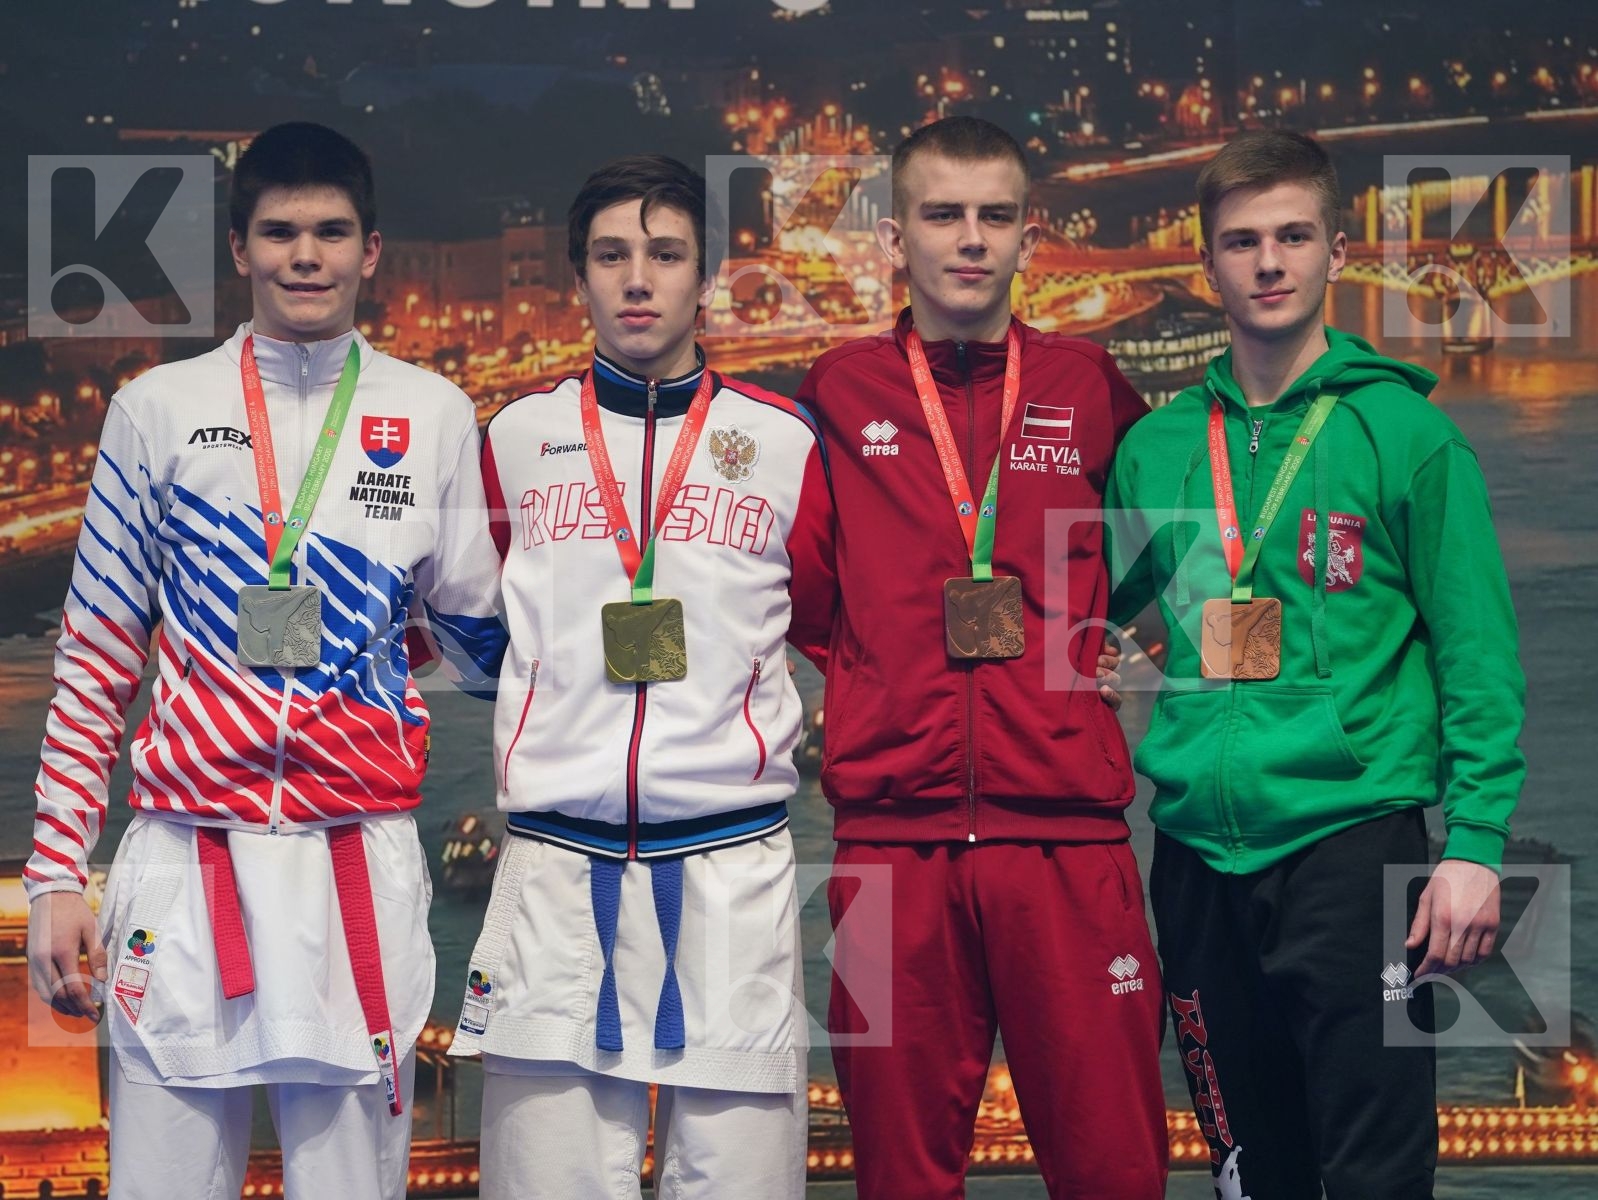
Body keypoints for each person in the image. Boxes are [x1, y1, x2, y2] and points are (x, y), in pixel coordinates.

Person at [24, 122, 505, 1199]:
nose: (306, 256)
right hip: (186, 862)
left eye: (331, 232)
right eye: (279, 232)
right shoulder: (156, 410)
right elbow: (98, 655)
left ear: (370, 250)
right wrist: (57, 872)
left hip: (356, 861)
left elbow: (479, 642)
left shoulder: (432, 415)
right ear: (239, 250)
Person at [1105, 129, 1525, 1199]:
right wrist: (1123, 663)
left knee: (1375, 1175)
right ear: (1205, 267)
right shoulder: (1153, 449)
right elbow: (1138, 621)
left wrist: (1472, 845)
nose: (1267, 261)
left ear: (1337, 251)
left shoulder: (1404, 433)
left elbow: (1476, 653)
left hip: (1354, 852)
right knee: (1247, 1174)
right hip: (1196, 857)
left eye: (1292, 235)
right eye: (1240, 241)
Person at [794, 116, 1168, 1199]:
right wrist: (880, 670)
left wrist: (1101, 651)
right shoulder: (837, 390)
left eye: (993, 217)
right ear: (894, 239)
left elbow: (1160, 570)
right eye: (941, 215)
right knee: (898, 1180)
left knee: (1113, 1172)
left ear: (1027, 237)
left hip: (1065, 843)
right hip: (886, 855)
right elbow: (808, 589)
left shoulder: (1091, 386)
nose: (969, 240)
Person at [448, 154, 833, 1199]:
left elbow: (834, 625)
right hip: (553, 877)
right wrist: (568, 709)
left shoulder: (783, 439)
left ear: (705, 277)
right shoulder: (515, 438)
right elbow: (474, 637)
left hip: (732, 874)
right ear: (576, 277)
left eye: (664, 255)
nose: (637, 279)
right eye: (611, 255)